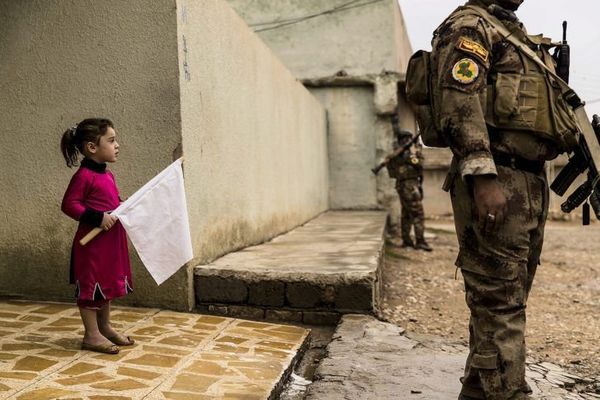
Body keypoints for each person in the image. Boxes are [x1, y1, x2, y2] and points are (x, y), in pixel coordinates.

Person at [429, 1, 580, 399]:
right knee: (500, 305)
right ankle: (509, 392)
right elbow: (459, 104)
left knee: (508, 298)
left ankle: (479, 390)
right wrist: (482, 176)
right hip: (497, 179)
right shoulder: (470, 27)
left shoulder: (513, 32)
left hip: (528, 182)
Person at [60, 118, 134, 354]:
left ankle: (105, 327)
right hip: (92, 245)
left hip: (109, 243)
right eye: (111, 141)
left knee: (105, 285)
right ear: (92, 147)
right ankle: (91, 335)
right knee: (91, 287)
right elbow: (69, 205)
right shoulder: (84, 176)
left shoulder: (107, 175)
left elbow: (109, 201)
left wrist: (122, 206)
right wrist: (98, 218)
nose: (117, 145)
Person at [386, 120, 432, 251]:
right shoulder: (405, 155)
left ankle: (407, 241)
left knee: (406, 214)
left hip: (402, 186)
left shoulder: (395, 156)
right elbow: (420, 164)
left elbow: (393, 173)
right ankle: (420, 241)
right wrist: (416, 154)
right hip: (410, 187)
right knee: (418, 214)